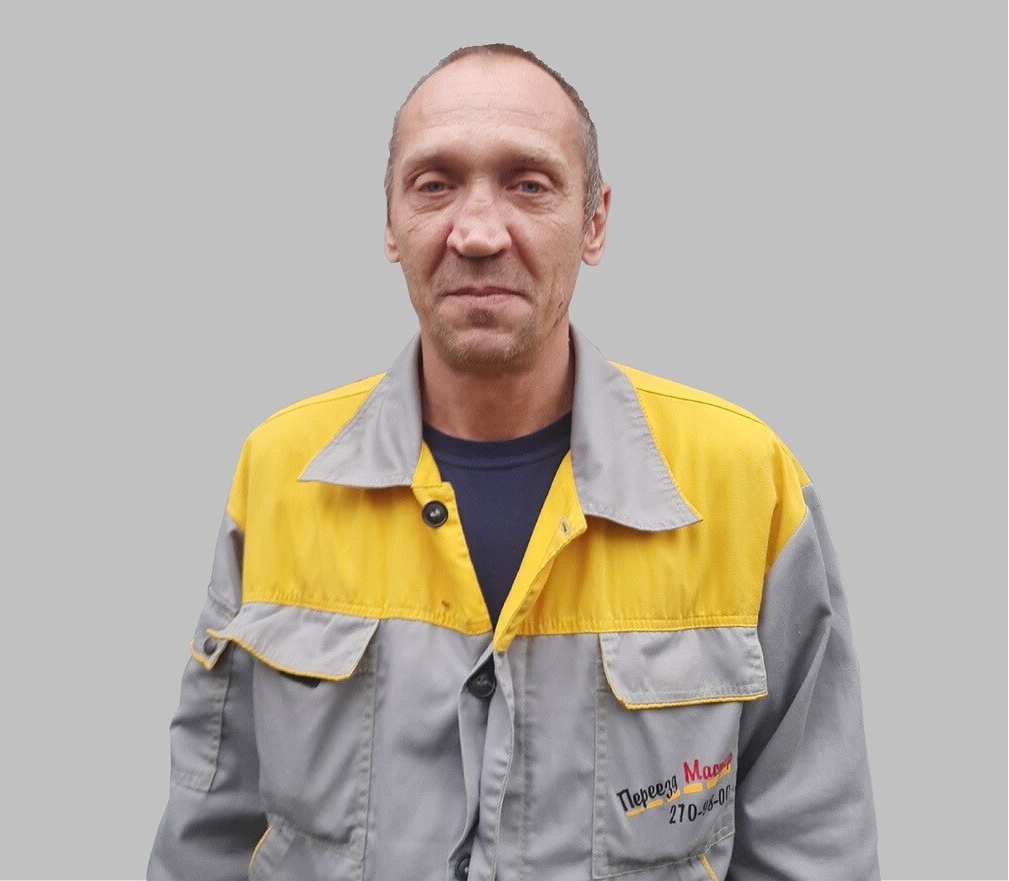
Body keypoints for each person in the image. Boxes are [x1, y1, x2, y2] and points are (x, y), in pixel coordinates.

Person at [148, 43, 880, 881]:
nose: (477, 232)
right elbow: (207, 833)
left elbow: (814, 847)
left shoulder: (746, 483)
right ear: (389, 223)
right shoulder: (281, 472)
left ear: (594, 220)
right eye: (434, 185)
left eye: (528, 185)